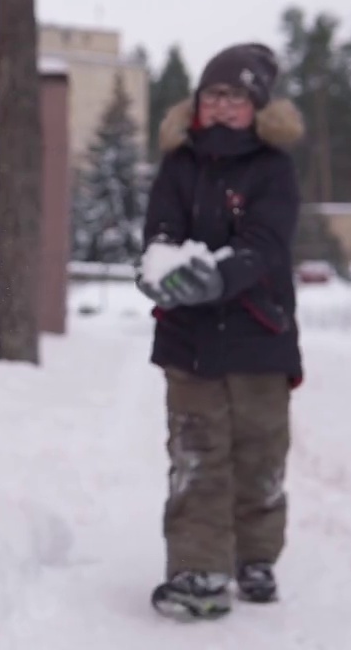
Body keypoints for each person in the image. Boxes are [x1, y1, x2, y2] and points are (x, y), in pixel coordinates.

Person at [134, 42, 305, 621]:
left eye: (237, 96)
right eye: (214, 94)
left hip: (261, 334)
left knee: (260, 455)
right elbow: (160, 231)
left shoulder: (273, 169)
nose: (224, 105)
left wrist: (218, 276)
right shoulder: (180, 165)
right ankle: (197, 569)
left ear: (258, 106)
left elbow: (264, 244)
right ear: (198, 103)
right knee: (197, 454)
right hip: (191, 340)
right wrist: (159, 271)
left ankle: (256, 556)